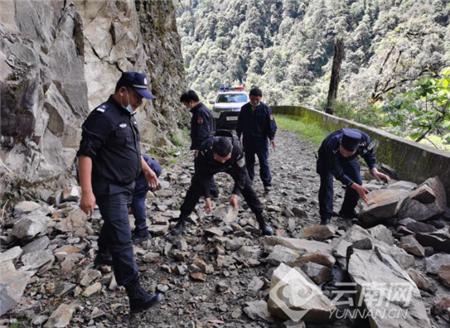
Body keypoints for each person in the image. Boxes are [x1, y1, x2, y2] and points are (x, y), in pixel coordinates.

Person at [77, 71, 162, 313]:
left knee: (115, 224)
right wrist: (86, 192)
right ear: (122, 91)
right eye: (137, 96)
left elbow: (132, 148)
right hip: (109, 187)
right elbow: (85, 154)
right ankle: (136, 295)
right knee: (123, 238)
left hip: (128, 184)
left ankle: (103, 254)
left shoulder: (127, 114)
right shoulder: (103, 117)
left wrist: (146, 169)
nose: (140, 102)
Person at [170, 135, 274, 236]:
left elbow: (241, 175)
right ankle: (181, 221)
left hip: (232, 166)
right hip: (209, 166)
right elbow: (201, 175)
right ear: (213, 152)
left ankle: (262, 223)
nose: (223, 161)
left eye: (225, 158)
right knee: (195, 188)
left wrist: (235, 194)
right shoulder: (204, 150)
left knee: (248, 189)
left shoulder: (237, 149)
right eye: (220, 158)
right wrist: (207, 196)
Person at [316, 128, 390, 225]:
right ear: (340, 144)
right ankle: (326, 216)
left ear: (357, 148)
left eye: (348, 152)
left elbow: (369, 154)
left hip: (351, 159)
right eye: (344, 152)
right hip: (328, 158)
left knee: (357, 181)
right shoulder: (331, 143)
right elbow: (337, 172)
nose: (345, 155)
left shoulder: (365, 141)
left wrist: (373, 169)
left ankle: (347, 212)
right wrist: (353, 185)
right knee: (327, 183)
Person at [236, 87, 277, 193]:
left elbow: (271, 125)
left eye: (257, 100)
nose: (254, 102)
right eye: (252, 99)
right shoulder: (244, 108)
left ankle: (267, 183)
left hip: (261, 141)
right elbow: (239, 124)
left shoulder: (266, 109)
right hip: (248, 140)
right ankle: (249, 182)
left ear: (260, 98)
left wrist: (271, 138)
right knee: (249, 162)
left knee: (264, 162)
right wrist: (238, 137)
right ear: (249, 97)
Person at [180, 90, 218, 197]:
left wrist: (198, 149)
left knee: (203, 168)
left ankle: (211, 191)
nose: (186, 106)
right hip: (206, 144)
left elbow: (202, 133)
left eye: (185, 103)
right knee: (203, 169)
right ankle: (207, 190)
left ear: (191, 102)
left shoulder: (200, 112)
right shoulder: (201, 110)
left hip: (204, 146)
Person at [131, 154, 162, 244]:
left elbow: (136, 154)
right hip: (148, 165)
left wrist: (147, 170)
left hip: (147, 168)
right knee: (137, 198)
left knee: (137, 199)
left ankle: (142, 232)